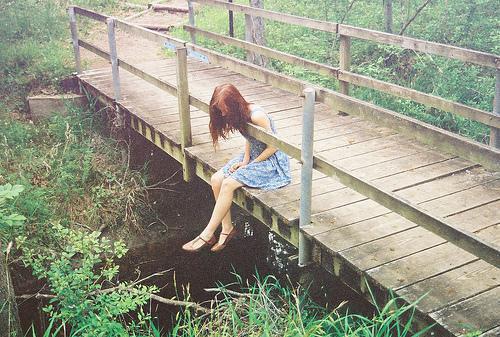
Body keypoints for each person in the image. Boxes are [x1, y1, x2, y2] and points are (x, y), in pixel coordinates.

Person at [182, 84, 291, 253]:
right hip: (254, 156)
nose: (223, 113)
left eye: (224, 109)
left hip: (271, 161)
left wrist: (252, 165)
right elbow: (250, 137)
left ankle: (207, 233)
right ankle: (227, 228)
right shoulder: (241, 114)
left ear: (234, 104)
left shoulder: (257, 116)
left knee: (228, 184)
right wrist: (245, 160)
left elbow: (273, 147)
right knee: (216, 179)